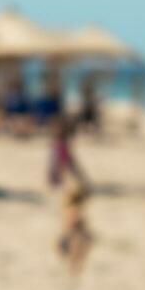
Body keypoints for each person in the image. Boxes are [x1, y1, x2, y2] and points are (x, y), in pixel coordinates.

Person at [48, 113, 94, 280]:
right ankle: (70, 255)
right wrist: (83, 182)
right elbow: (69, 167)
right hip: (68, 187)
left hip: (64, 187)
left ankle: (67, 248)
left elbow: (56, 169)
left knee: (72, 224)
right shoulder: (62, 147)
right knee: (76, 226)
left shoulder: (56, 145)